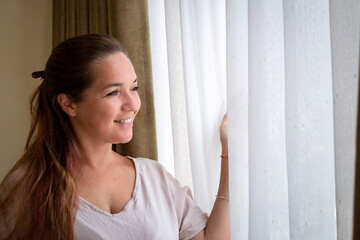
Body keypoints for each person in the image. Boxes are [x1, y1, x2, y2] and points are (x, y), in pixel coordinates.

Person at [0, 34, 229, 240]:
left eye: (134, 88)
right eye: (113, 92)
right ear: (68, 104)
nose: (133, 104)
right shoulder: (29, 189)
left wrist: (229, 153)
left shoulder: (155, 178)